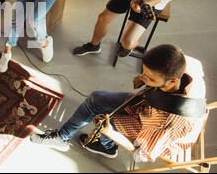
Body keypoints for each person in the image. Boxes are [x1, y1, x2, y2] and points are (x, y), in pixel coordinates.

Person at [31, 44, 206, 163]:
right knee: (96, 97)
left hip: (155, 131)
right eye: (143, 72)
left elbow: (144, 154)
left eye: (150, 78)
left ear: (172, 82)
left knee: (102, 120)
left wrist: (111, 133)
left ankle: (108, 146)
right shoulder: (185, 64)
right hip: (149, 106)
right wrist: (146, 81)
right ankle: (62, 138)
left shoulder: (169, 123)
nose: (143, 78)